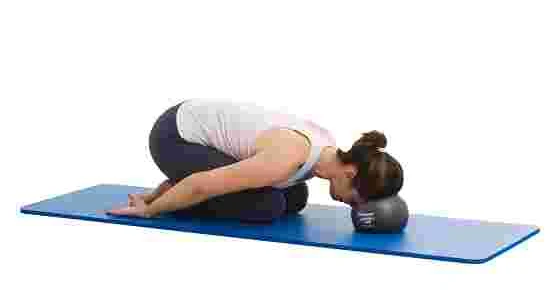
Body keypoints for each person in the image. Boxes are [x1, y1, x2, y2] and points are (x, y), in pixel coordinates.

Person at [107, 98, 404, 221]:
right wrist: (151, 209)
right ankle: (170, 193)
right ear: (351, 173)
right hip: (174, 137)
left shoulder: (325, 149)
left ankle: (173, 188)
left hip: (197, 125)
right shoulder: (287, 157)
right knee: (266, 206)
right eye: (356, 200)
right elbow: (202, 184)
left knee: (296, 198)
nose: (353, 206)